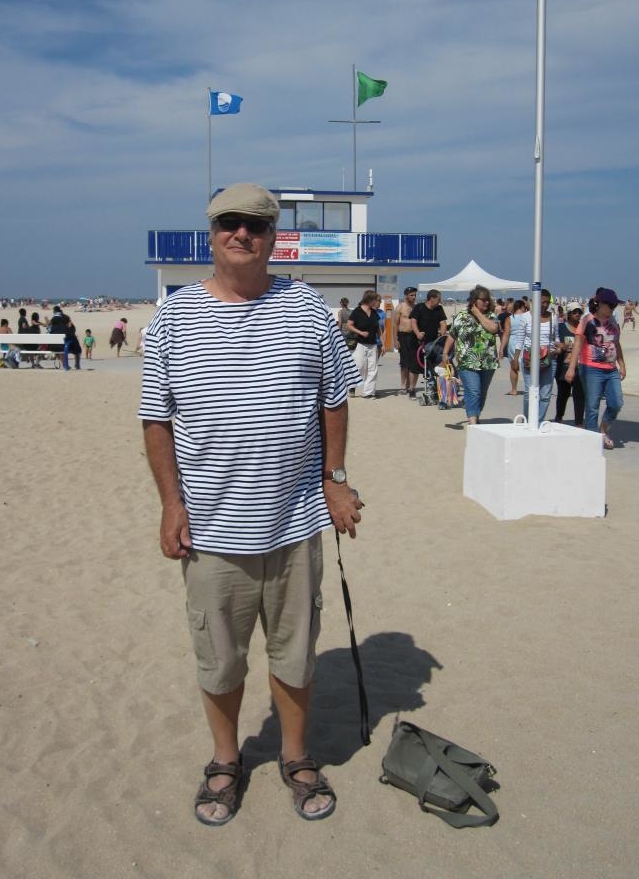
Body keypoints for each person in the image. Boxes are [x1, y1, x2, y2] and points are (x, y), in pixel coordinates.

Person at [139, 183, 363, 827]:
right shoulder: (173, 315)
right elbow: (156, 419)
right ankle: (225, 759)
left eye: (257, 225)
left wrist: (335, 479)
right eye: (230, 223)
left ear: (274, 237)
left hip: (295, 522)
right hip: (211, 530)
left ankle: (295, 755)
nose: (243, 233)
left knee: (296, 653)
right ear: (211, 234)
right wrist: (171, 504)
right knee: (220, 659)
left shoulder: (308, 308)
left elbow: (334, 400)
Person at [565, 287, 626, 449]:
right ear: (600, 304)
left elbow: (616, 344)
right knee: (592, 407)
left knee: (616, 403)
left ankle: (603, 431)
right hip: (591, 369)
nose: (612, 308)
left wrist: (622, 364)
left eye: (614, 306)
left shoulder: (613, 322)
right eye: (610, 305)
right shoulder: (587, 320)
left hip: (611, 368)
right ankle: (592, 442)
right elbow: (578, 343)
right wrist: (571, 368)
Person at [441, 285, 500, 424]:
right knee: (474, 391)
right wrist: (445, 353)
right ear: (474, 300)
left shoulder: (491, 316)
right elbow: (452, 335)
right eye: (483, 300)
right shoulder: (461, 316)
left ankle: (475, 417)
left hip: (488, 362)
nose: (486, 302)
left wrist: (478, 314)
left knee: (481, 393)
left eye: (488, 300)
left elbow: (493, 329)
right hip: (467, 362)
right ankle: (473, 422)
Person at [514, 288, 558, 424]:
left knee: (545, 394)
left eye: (547, 302)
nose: (544, 305)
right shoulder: (526, 317)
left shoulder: (553, 317)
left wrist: (558, 347)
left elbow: (555, 338)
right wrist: (515, 359)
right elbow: (520, 339)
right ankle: (527, 420)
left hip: (549, 359)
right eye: (542, 302)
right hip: (530, 359)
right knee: (529, 392)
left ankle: (538, 422)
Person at [408, 289, 447, 400]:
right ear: (431, 299)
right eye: (438, 299)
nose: (440, 301)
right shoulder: (419, 307)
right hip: (417, 342)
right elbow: (413, 322)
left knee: (434, 366)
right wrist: (417, 333)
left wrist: (442, 335)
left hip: (433, 343)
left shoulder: (439, 309)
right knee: (415, 367)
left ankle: (435, 389)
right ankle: (412, 389)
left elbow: (443, 323)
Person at [553, 302, 585, 425]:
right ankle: (559, 417)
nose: (577, 314)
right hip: (563, 367)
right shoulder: (561, 327)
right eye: (574, 312)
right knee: (563, 394)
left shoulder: (583, 328)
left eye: (579, 312)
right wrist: (559, 346)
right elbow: (553, 340)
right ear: (569, 313)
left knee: (579, 395)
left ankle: (579, 422)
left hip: (580, 367)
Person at [347, 290, 381, 398]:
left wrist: (382, 343)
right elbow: (349, 325)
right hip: (360, 343)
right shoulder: (357, 311)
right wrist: (360, 332)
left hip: (373, 344)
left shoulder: (374, 313)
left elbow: (378, 329)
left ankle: (368, 392)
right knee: (359, 367)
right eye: (375, 300)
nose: (376, 302)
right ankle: (352, 386)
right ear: (369, 300)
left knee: (372, 369)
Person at [393, 286, 419, 395]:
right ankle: (403, 385)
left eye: (415, 295)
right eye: (411, 295)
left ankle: (410, 385)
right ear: (406, 296)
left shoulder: (416, 307)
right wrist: (395, 340)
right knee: (404, 363)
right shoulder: (400, 307)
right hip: (403, 336)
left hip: (413, 336)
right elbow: (395, 324)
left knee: (413, 362)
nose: (414, 297)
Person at [499, 299, 526, 395]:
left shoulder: (509, 318)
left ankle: (514, 390)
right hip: (525, 342)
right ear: (522, 307)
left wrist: (501, 348)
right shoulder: (527, 317)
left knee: (513, 367)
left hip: (513, 342)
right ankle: (529, 388)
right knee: (528, 367)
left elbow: (506, 334)